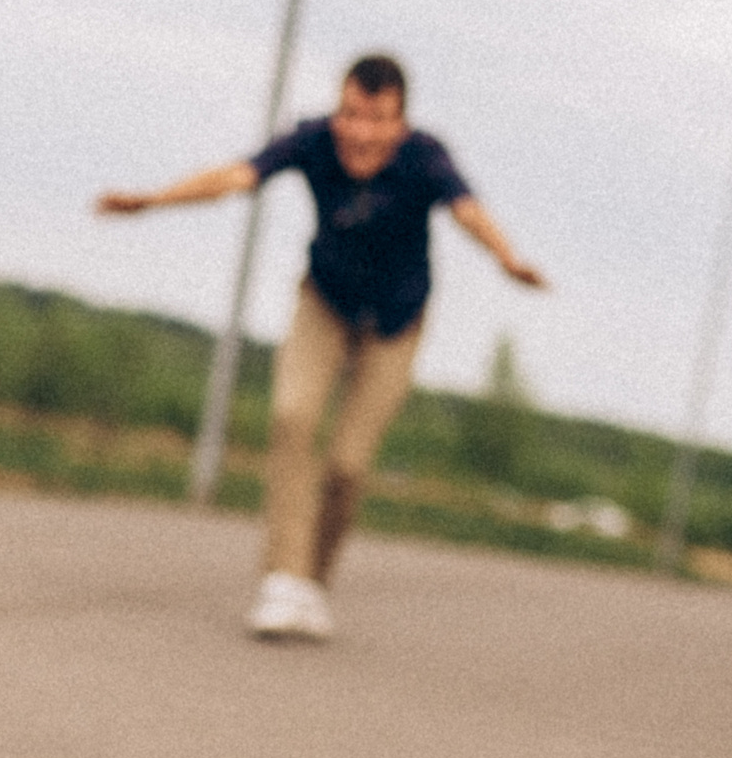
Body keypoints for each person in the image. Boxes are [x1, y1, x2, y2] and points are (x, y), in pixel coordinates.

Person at [98, 55, 544, 640]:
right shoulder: (313, 140)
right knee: (291, 417)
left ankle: (311, 583)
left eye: (376, 120)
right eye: (350, 114)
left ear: (399, 125)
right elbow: (238, 176)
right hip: (325, 303)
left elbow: (468, 211)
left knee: (348, 464)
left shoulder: (424, 158)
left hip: (396, 322)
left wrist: (506, 257)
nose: (359, 133)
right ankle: (283, 579)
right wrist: (156, 200)